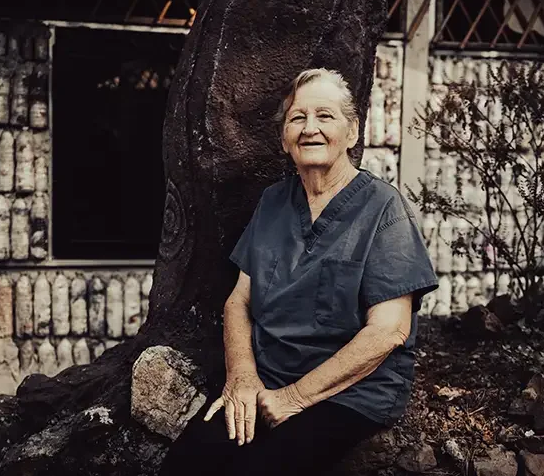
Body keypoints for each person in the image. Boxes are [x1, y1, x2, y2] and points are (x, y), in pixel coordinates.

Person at [161, 68, 438, 476]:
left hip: (350, 394)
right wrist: (242, 377)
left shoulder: (383, 209)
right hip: (267, 380)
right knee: (186, 463)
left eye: (325, 116)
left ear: (353, 131)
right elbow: (239, 300)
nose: (311, 129)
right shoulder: (274, 202)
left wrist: (293, 397)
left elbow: (389, 330)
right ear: (284, 137)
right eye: (297, 118)